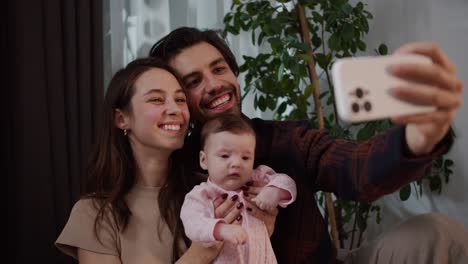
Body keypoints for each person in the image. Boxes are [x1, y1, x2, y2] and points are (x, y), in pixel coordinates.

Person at [149, 27, 467, 263]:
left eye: (219, 69)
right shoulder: (171, 170)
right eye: (193, 82)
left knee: (436, 232)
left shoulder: (287, 139)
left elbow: (355, 168)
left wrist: (418, 137)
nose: (214, 84)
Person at [55, 57, 241, 263]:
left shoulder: (210, 192)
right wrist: (200, 254)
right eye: (157, 100)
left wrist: (265, 228)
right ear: (121, 119)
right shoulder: (94, 213)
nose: (175, 110)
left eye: (180, 100)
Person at [180, 114, 297, 263]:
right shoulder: (202, 195)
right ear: (204, 160)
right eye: (224, 155)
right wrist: (220, 229)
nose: (236, 163)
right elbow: (192, 223)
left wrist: (275, 191)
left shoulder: (257, 178)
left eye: (245, 157)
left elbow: (287, 182)